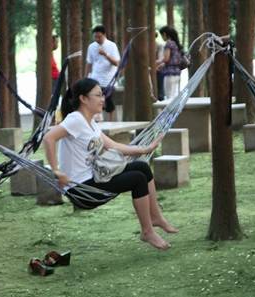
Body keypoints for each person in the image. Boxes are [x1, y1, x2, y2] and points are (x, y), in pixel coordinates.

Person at [43, 78, 178, 250]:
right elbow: (49, 138)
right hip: (82, 189)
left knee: (142, 166)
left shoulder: (90, 123)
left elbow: (113, 146)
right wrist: (56, 170)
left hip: (94, 180)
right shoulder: (75, 119)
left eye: (102, 95)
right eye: (98, 95)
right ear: (83, 99)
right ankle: (147, 231)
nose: (102, 99)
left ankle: (156, 217)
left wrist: (145, 149)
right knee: (137, 178)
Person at [85, 25, 120, 121]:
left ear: (104, 35)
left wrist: (105, 54)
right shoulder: (91, 47)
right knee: (95, 101)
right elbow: (89, 63)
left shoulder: (112, 46)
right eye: (95, 37)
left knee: (109, 102)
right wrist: (86, 77)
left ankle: (111, 123)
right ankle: (97, 122)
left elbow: (116, 63)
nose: (97, 39)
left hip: (109, 79)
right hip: (95, 79)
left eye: (99, 37)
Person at [156, 26, 185, 99]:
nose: (162, 37)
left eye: (162, 35)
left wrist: (156, 62)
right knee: (174, 96)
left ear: (165, 34)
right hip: (177, 73)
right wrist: (161, 65)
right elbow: (173, 59)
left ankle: (170, 111)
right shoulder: (176, 44)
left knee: (169, 96)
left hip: (169, 74)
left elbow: (166, 58)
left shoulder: (169, 43)